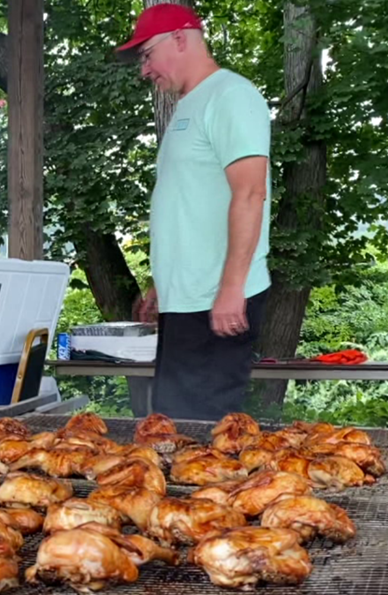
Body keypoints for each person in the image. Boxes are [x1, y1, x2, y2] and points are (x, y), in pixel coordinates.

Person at [117, 3, 272, 421]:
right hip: (186, 301)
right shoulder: (188, 106)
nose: (144, 70)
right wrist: (160, 285)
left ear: (181, 38)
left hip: (216, 302)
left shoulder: (232, 95)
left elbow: (250, 192)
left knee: (203, 436)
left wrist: (231, 288)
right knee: (170, 423)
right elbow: (188, 205)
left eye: (147, 54)